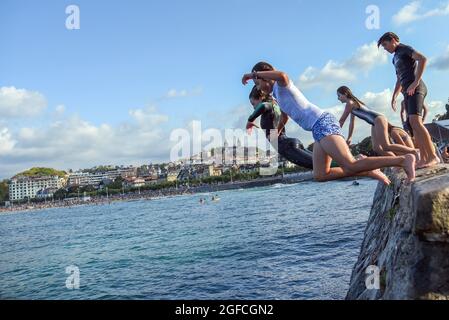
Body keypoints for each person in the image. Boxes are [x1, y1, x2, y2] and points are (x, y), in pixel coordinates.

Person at [242, 62, 416, 184]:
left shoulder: (282, 85)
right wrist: (279, 129)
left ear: (265, 77)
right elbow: (286, 116)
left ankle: (402, 160)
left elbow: (282, 75)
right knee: (320, 175)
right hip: (316, 130)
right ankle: (369, 170)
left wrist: (252, 74)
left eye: (258, 83)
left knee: (349, 164)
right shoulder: (277, 96)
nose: (258, 88)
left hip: (322, 122)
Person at [378, 32, 439, 168]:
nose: (385, 48)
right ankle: (424, 158)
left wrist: (415, 82)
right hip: (407, 91)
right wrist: (394, 96)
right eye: (383, 46)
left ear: (393, 40)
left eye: (385, 45)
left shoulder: (404, 49)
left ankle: (432, 156)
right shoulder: (394, 58)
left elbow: (422, 59)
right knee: (413, 125)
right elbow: (399, 79)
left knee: (415, 121)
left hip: (416, 88)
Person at [337, 86, 418, 157]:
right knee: (377, 148)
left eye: (339, 96)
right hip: (374, 122)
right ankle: (398, 161)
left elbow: (342, 120)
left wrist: (333, 132)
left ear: (345, 94)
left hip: (378, 119)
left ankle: (414, 151)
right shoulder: (352, 104)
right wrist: (350, 137)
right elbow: (352, 123)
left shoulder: (350, 103)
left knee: (386, 146)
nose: (338, 98)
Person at [247, 86, 314, 169]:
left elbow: (262, 106)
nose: (253, 107)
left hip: (285, 146)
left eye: (253, 103)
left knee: (319, 165)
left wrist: (250, 119)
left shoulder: (268, 105)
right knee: (321, 162)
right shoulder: (275, 106)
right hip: (288, 143)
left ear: (261, 98)